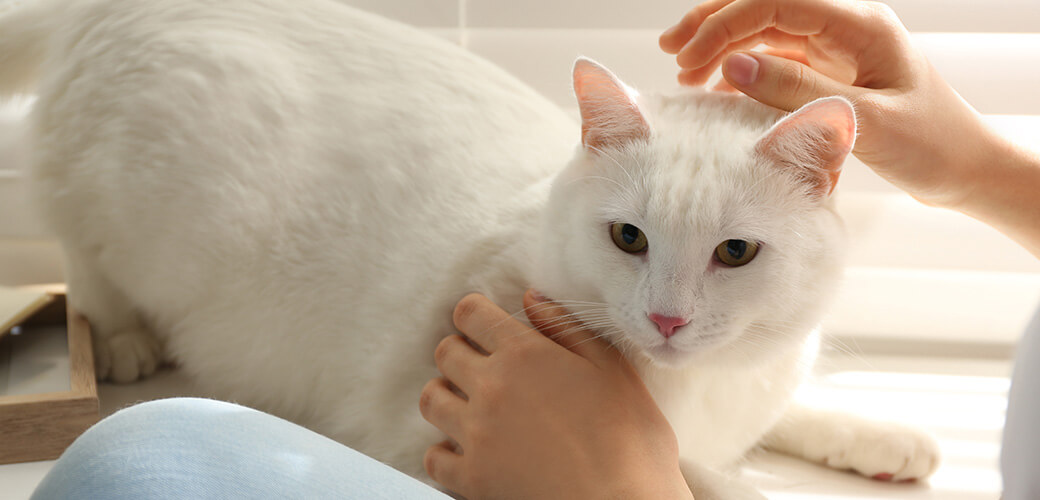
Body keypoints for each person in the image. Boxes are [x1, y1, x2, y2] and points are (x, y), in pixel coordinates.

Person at [31, 0, 1040, 498]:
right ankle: (110, 290)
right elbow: (420, 444)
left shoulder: (718, 322)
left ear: (822, 191)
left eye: (734, 254)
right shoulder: (524, 296)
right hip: (194, 90)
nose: (669, 309)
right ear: (589, 183)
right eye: (630, 239)